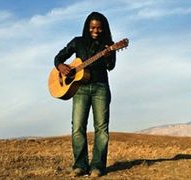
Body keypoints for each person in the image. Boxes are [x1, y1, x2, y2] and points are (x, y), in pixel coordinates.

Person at [54, 11, 116, 177]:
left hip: (100, 88)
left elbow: (111, 66)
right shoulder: (77, 42)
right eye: (92, 27)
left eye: (99, 28)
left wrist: (109, 55)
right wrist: (61, 66)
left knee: (101, 129)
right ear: (87, 27)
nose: (95, 31)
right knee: (78, 127)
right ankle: (80, 165)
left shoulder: (108, 45)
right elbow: (58, 57)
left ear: (104, 29)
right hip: (79, 89)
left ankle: (97, 166)